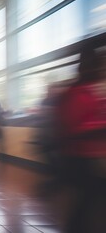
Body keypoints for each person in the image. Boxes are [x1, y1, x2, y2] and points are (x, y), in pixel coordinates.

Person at [56, 45, 106, 233]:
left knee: (88, 205)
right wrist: (101, 126)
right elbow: (74, 127)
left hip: (92, 158)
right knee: (86, 205)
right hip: (83, 159)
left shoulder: (91, 91)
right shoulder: (78, 92)